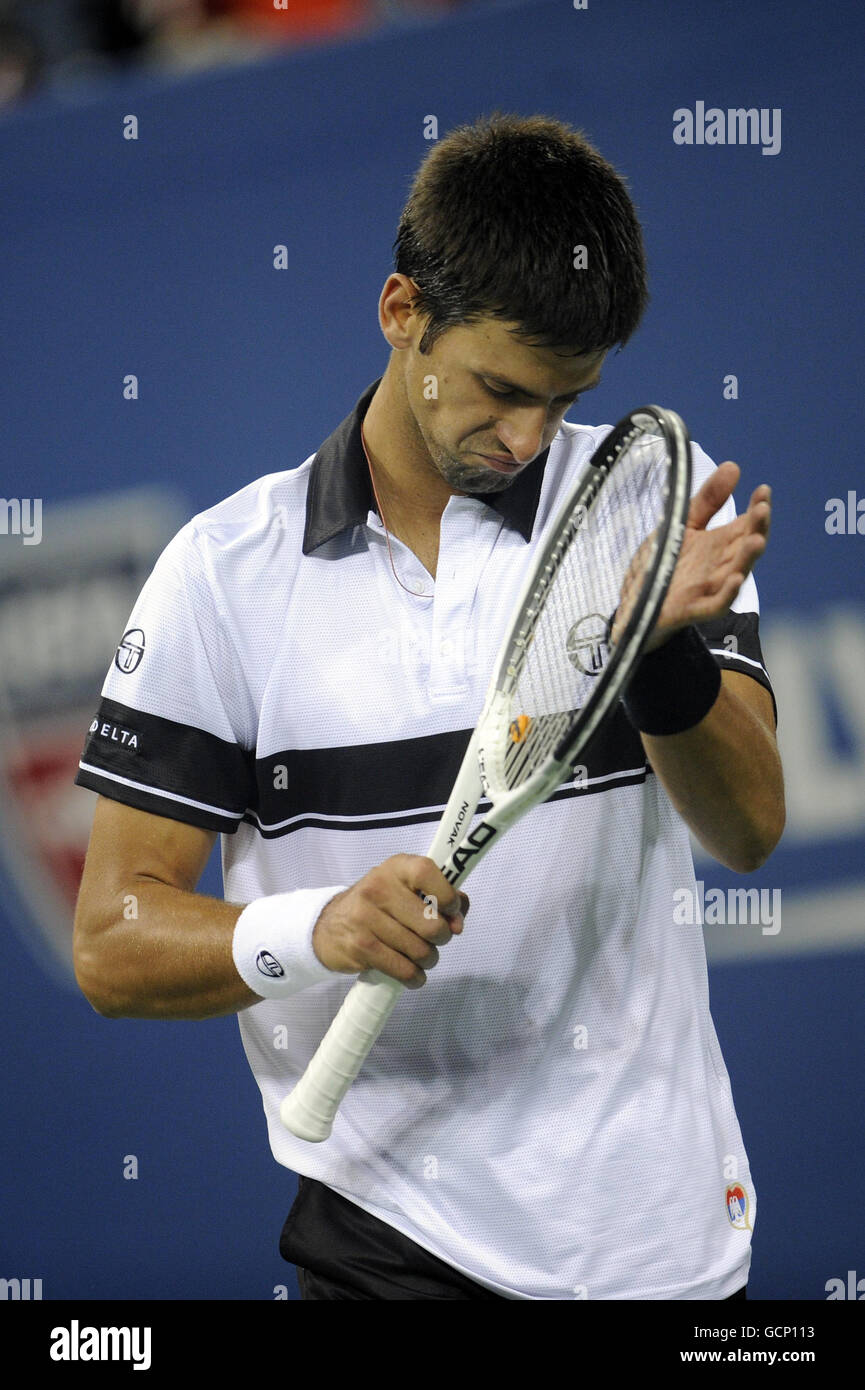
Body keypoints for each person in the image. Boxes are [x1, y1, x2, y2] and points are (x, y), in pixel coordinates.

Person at [72, 112, 785, 1300]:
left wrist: (658, 660)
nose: (528, 438)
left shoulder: (650, 510)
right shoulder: (220, 574)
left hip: (661, 1249)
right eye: (503, 389)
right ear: (402, 312)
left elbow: (749, 826)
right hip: (387, 1240)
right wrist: (317, 932)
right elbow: (110, 939)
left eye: (564, 401)